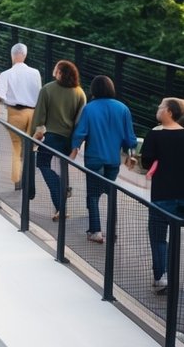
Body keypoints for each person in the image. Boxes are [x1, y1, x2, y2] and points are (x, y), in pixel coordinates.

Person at [70, 76, 136, 244]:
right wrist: (131, 153)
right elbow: (129, 137)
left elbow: (81, 132)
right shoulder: (123, 109)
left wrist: (74, 149)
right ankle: (112, 231)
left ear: (94, 89)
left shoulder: (90, 108)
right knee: (110, 193)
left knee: (93, 195)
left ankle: (95, 231)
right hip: (113, 159)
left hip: (94, 158)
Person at [32, 60, 86, 221]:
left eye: (56, 69)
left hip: (51, 136)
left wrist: (32, 136)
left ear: (61, 72)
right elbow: (80, 120)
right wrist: (75, 144)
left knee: (42, 163)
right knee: (63, 168)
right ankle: (60, 206)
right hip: (69, 138)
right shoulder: (79, 93)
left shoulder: (47, 89)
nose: (53, 71)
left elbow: (39, 117)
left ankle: (62, 190)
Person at [140, 98, 184, 292]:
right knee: (175, 235)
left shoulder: (154, 135)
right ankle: (171, 277)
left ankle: (161, 277)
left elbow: (146, 162)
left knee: (158, 237)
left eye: (160, 107)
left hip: (161, 195)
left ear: (169, 112)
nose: (158, 110)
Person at [0, 44, 42, 190]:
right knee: (30, 147)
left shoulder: (6, 74)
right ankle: (29, 179)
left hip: (15, 113)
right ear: (25, 55)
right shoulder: (35, 73)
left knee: (16, 146)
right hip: (33, 113)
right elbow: (39, 94)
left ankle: (17, 180)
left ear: (12, 55)